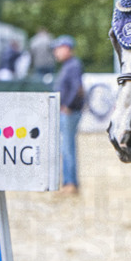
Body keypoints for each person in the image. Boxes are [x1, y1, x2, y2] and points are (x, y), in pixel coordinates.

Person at [52, 35, 85, 194]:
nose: (55, 52)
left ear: (66, 48)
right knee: (65, 147)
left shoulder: (73, 65)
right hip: (67, 112)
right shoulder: (68, 65)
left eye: (58, 48)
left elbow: (77, 88)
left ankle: (70, 183)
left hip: (69, 113)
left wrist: (67, 106)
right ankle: (68, 182)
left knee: (67, 148)